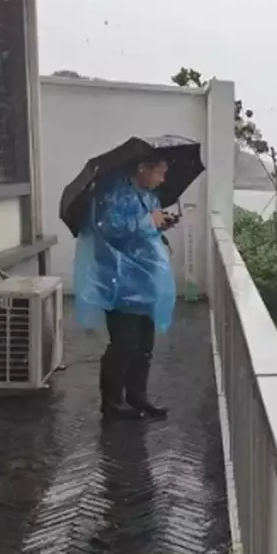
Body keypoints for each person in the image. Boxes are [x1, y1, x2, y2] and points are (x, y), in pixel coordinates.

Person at [73, 154, 178, 420]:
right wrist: (148, 223)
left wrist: (161, 224)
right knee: (123, 342)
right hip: (120, 280)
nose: (162, 179)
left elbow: (146, 230)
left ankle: (137, 396)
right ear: (143, 167)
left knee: (144, 342)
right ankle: (112, 402)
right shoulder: (112, 192)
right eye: (159, 172)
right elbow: (107, 228)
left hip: (145, 281)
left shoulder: (149, 195)